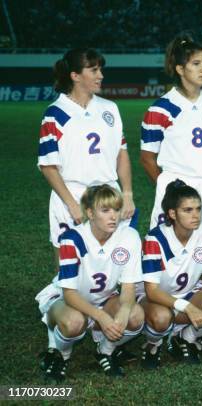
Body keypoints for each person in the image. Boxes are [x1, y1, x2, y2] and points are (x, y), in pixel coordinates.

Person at [35, 185, 143, 382]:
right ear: (90, 213)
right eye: (105, 210)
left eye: (117, 209)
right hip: (68, 300)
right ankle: (62, 355)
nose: (113, 216)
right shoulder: (72, 239)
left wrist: (124, 311)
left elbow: (128, 288)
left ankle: (105, 351)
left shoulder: (129, 237)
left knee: (135, 315)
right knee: (74, 322)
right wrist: (102, 317)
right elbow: (69, 294)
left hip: (104, 298)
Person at [38, 48, 135, 262]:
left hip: (110, 194)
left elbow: (122, 154)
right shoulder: (55, 114)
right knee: (69, 270)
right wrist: (71, 203)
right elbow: (48, 166)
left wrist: (127, 194)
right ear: (75, 76)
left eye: (100, 69)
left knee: (114, 265)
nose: (100, 75)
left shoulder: (110, 109)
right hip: (72, 194)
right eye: (93, 70)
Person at [141, 34, 202, 234]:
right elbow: (147, 158)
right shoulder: (160, 109)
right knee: (168, 248)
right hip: (176, 185)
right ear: (180, 69)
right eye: (196, 63)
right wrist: (172, 190)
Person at [140, 180, 202, 369]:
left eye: (198, 209)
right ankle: (152, 344)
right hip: (156, 298)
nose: (195, 215)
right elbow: (152, 291)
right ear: (172, 213)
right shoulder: (155, 238)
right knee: (161, 318)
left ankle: (186, 337)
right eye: (188, 210)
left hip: (189, 292)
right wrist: (188, 308)